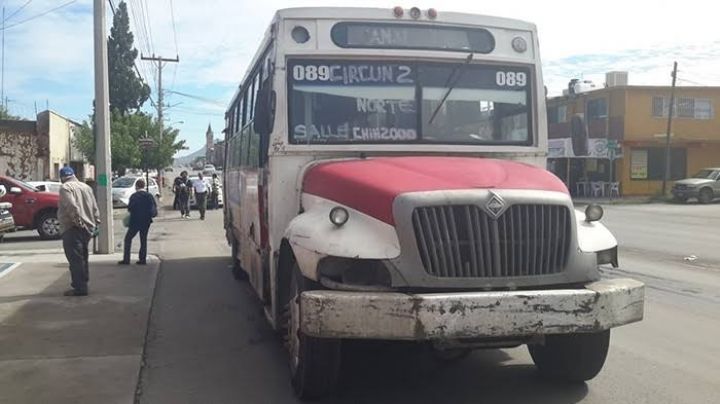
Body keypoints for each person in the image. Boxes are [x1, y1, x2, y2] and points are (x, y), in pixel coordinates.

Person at [57, 166, 100, 297]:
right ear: (74, 175)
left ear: (62, 178)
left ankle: (80, 287)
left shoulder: (65, 188)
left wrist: (78, 223)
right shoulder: (86, 187)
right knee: (83, 257)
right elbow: (94, 207)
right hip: (88, 228)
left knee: (75, 259)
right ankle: (83, 282)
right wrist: (95, 223)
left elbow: (72, 207)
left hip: (73, 228)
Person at [118, 179, 157, 265]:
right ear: (144, 186)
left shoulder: (134, 196)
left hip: (135, 221)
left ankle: (126, 259)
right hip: (146, 221)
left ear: (136, 186)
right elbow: (154, 207)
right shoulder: (149, 195)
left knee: (128, 239)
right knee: (143, 240)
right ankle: (142, 259)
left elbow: (130, 208)